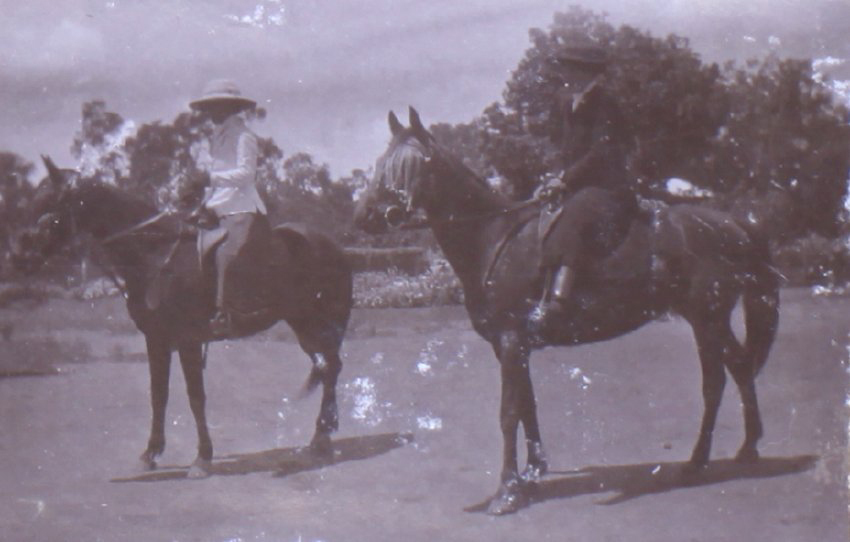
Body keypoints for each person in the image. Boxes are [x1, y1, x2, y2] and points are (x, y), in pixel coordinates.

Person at [533, 43, 637, 323]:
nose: (565, 74)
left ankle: (560, 299)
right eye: (565, 68)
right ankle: (538, 286)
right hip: (576, 185)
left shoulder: (605, 103)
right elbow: (564, 149)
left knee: (575, 213)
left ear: (586, 72)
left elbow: (601, 152)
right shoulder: (567, 103)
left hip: (608, 188)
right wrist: (553, 178)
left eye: (571, 68)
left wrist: (565, 179)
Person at [189, 79, 267, 336]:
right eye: (209, 107)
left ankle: (224, 313)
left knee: (226, 254)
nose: (211, 112)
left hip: (240, 206)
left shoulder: (244, 136)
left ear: (230, 107)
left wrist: (210, 179)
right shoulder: (216, 137)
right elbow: (214, 175)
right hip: (216, 205)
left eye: (216, 106)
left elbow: (246, 175)